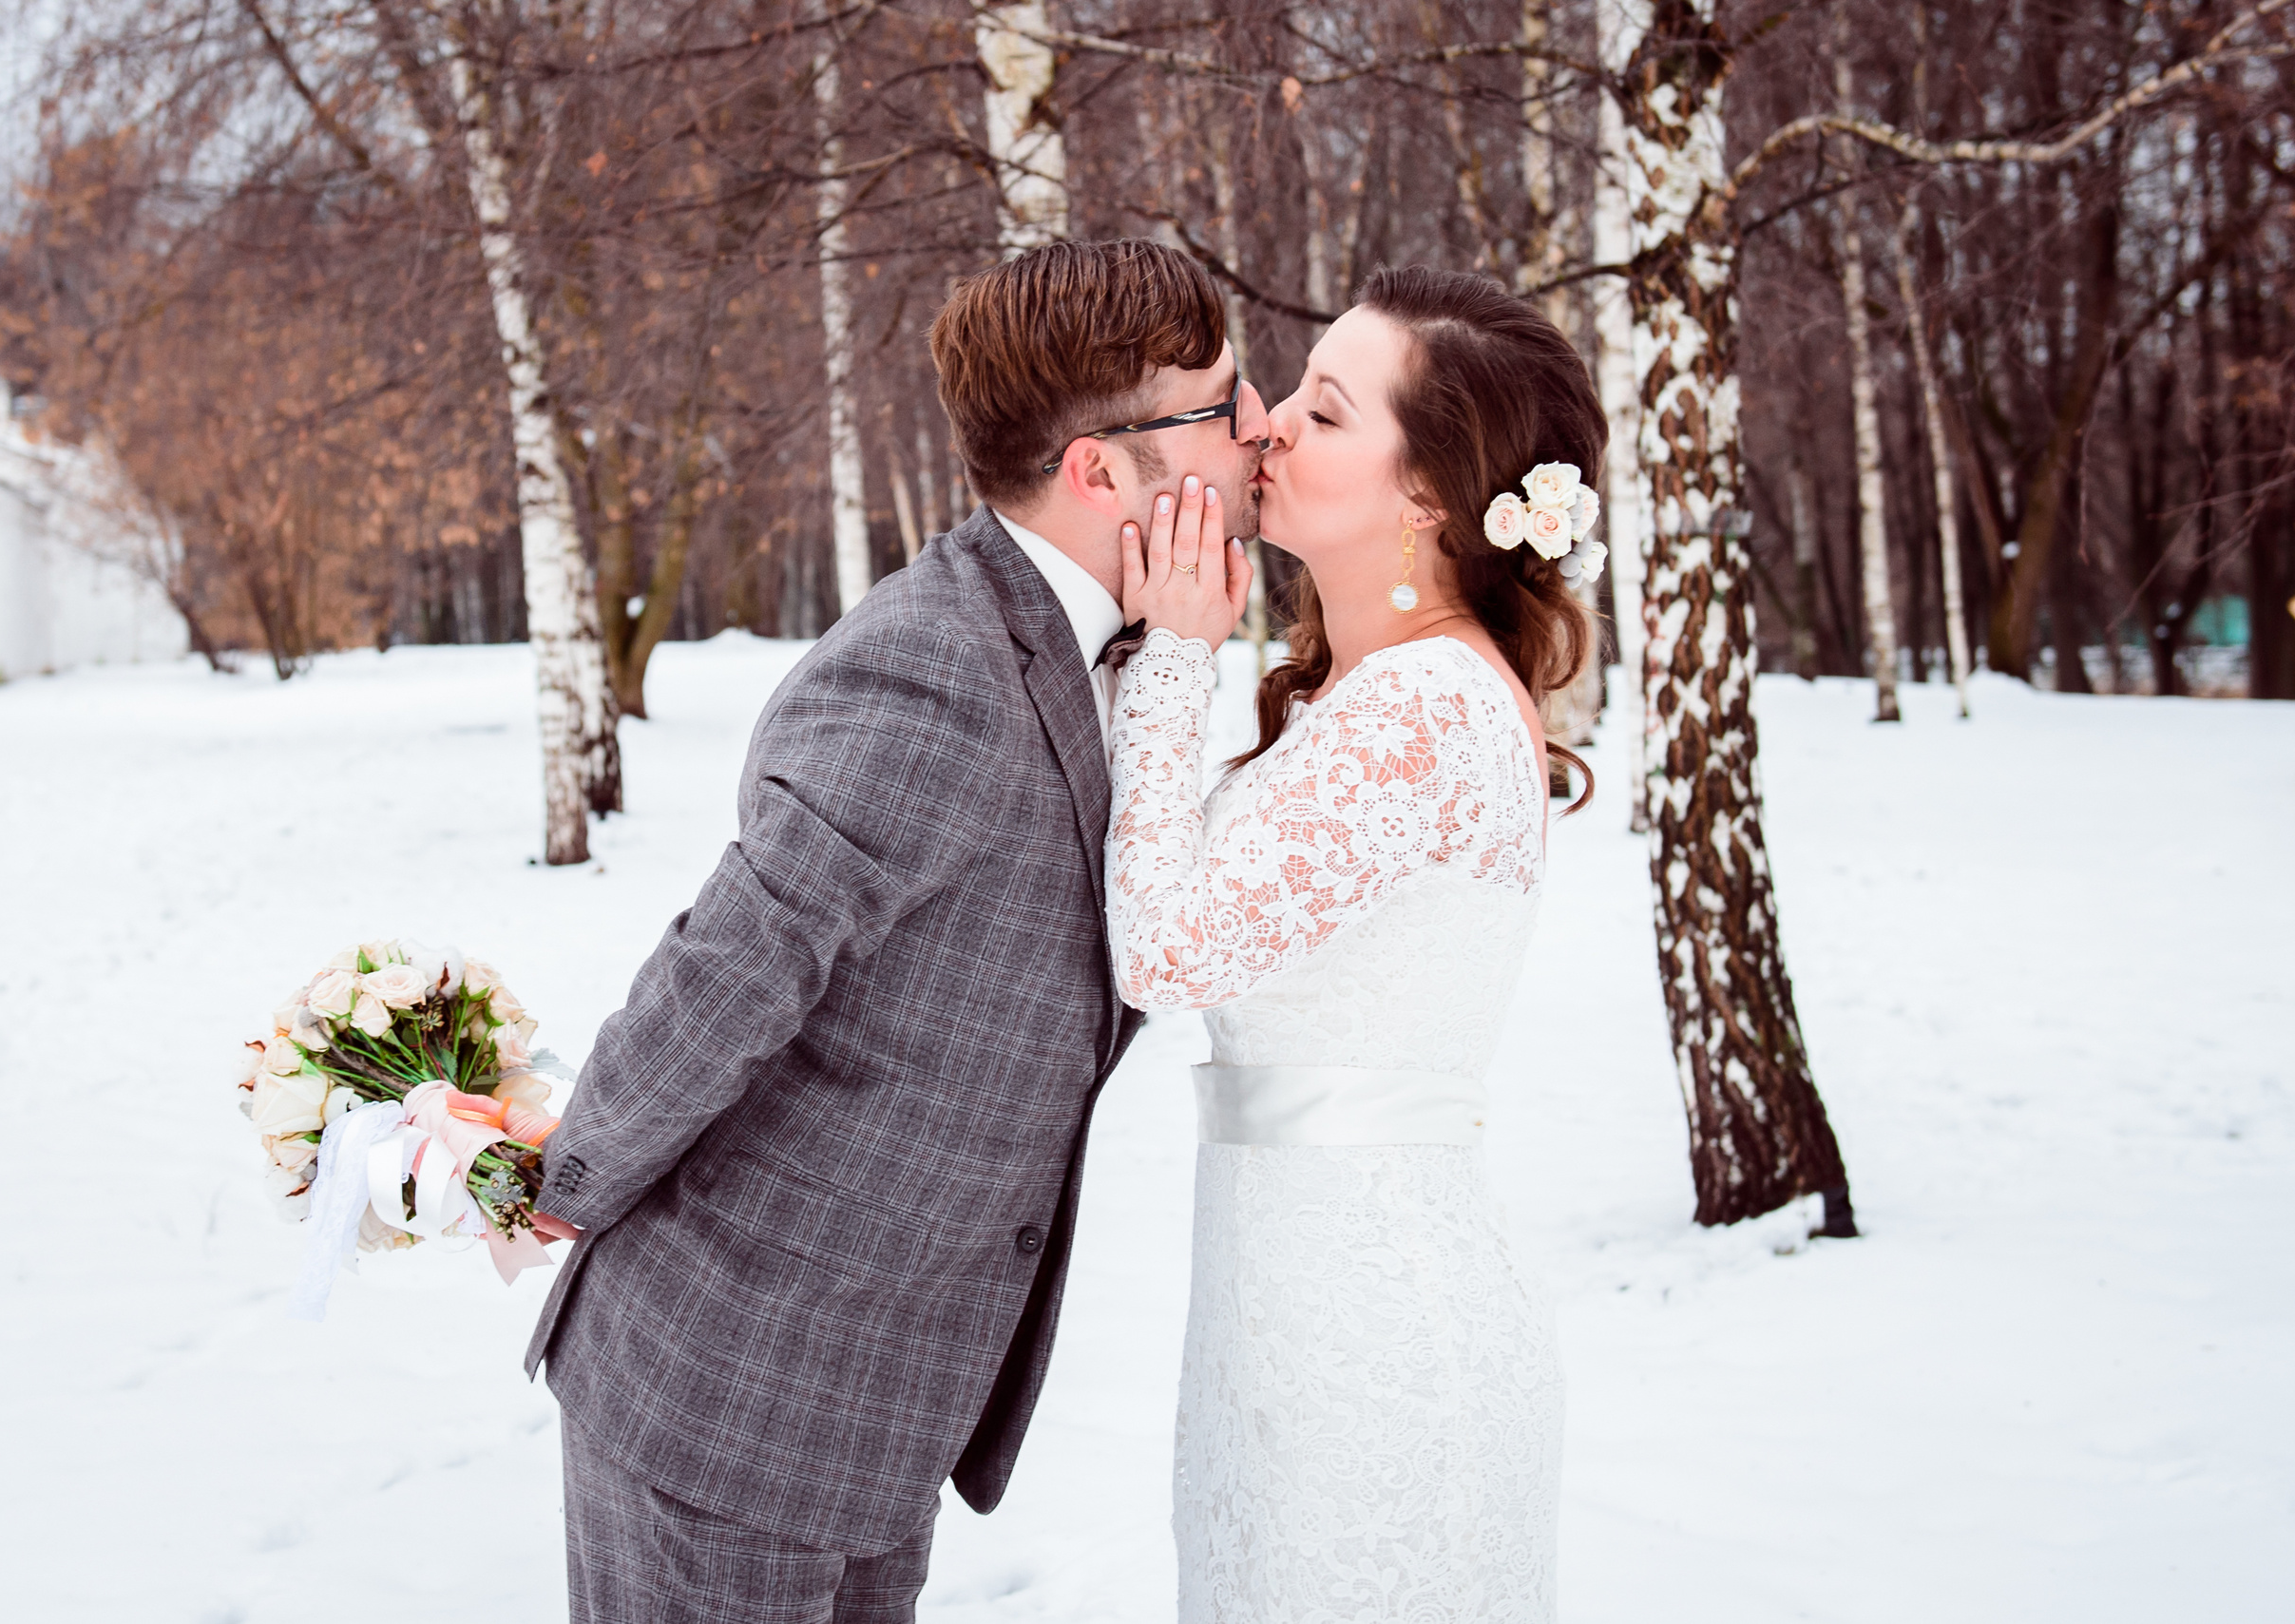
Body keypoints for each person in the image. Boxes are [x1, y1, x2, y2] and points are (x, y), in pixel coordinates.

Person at [518, 238, 1269, 1623]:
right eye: (1221, 407)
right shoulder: (931, 664)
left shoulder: (1113, 640)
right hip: (726, 1404)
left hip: (873, 1418)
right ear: (1102, 473)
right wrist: (566, 1170)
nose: (1263, 426)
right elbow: (738, 957)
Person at [1106, 265, 1608, 1622]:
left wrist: (1171, 655)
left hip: (1375, 1345)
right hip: (1283, 1316)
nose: (1265, 426)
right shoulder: (1368, 692)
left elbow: (1165, 950)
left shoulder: (1430, 711)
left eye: (1324, 414)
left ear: (1432, 493)